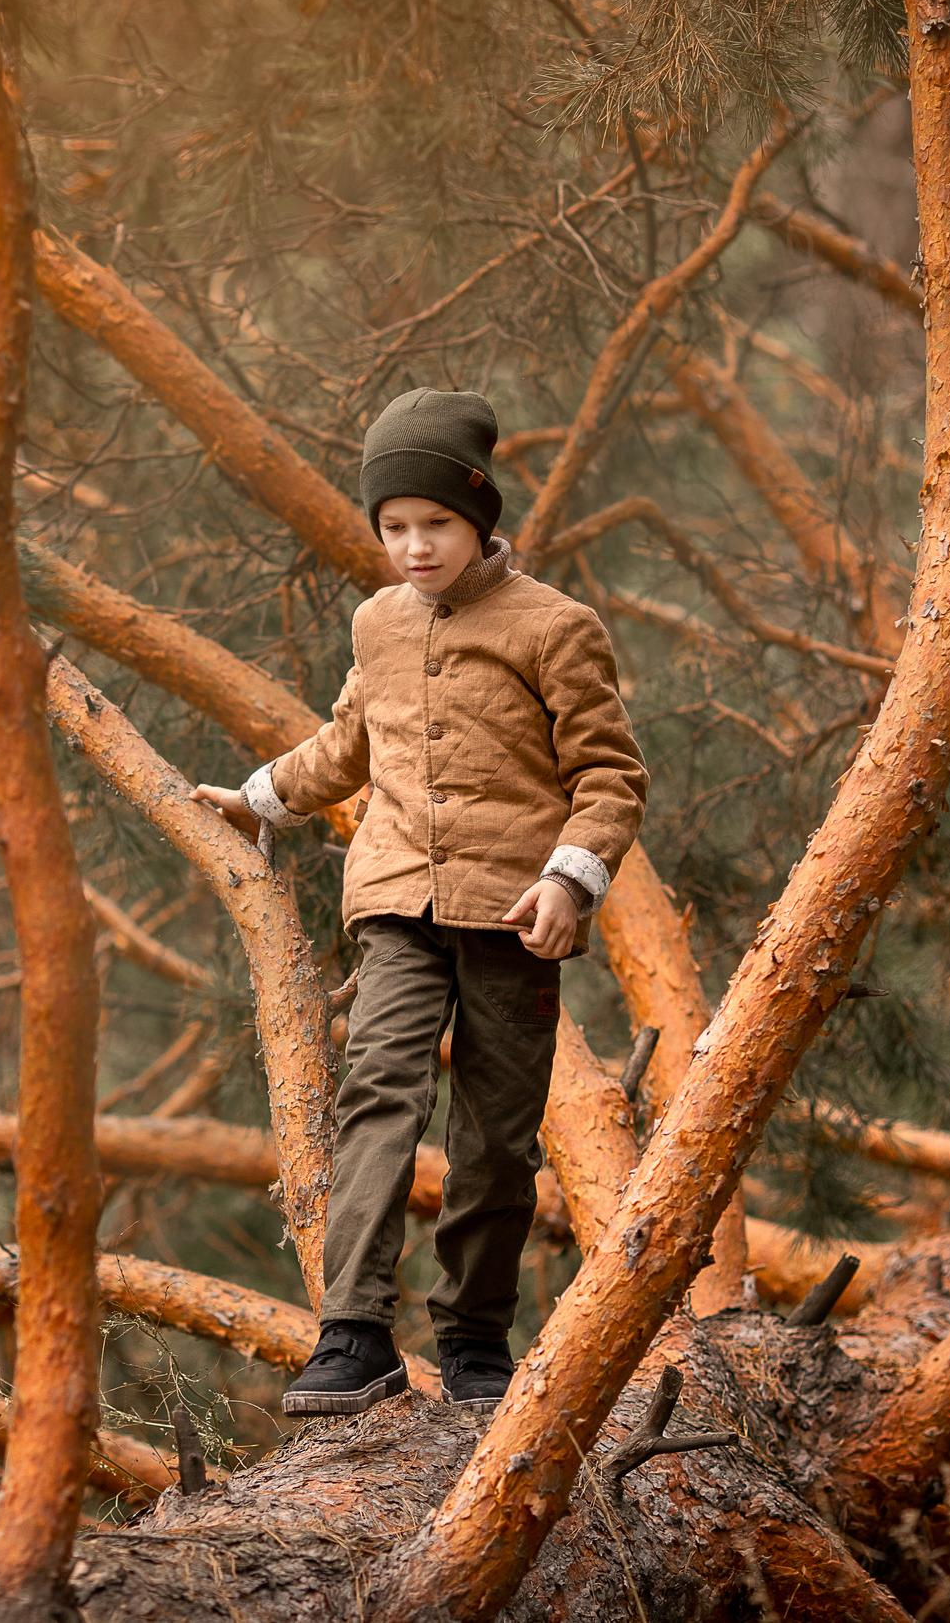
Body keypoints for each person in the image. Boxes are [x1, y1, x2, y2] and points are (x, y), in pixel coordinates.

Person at [196, 386, 649, 1414]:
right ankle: (353, 1331)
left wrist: (569, 878)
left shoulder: (556, 628)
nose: (413, 546)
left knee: (495, 1132)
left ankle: (476, 1337)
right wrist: (259, 797)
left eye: (435, 523)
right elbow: (348, 743)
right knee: (380, 1094)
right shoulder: (378, 625)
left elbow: (610, 775)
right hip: (396, 899)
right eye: (393, 526)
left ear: (479, 516)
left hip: (514, 914)